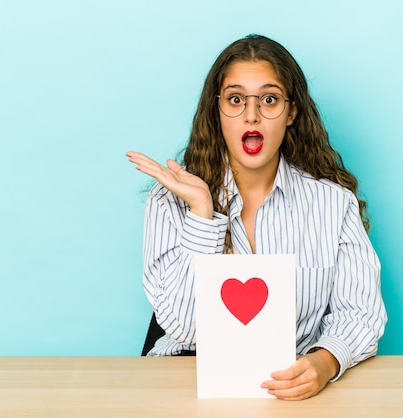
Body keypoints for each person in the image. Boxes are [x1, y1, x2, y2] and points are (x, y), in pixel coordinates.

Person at [126, 34, 386, 400]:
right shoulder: (170, 200)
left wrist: (324, 363)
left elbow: (361, 313)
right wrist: (202, 213)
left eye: (268, 99)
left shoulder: (333, 204)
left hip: (286, 388)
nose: (252, 114)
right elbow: (183, 326)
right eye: (235, 99)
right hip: (184, 381)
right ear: (216, 111)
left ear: (291, 111)